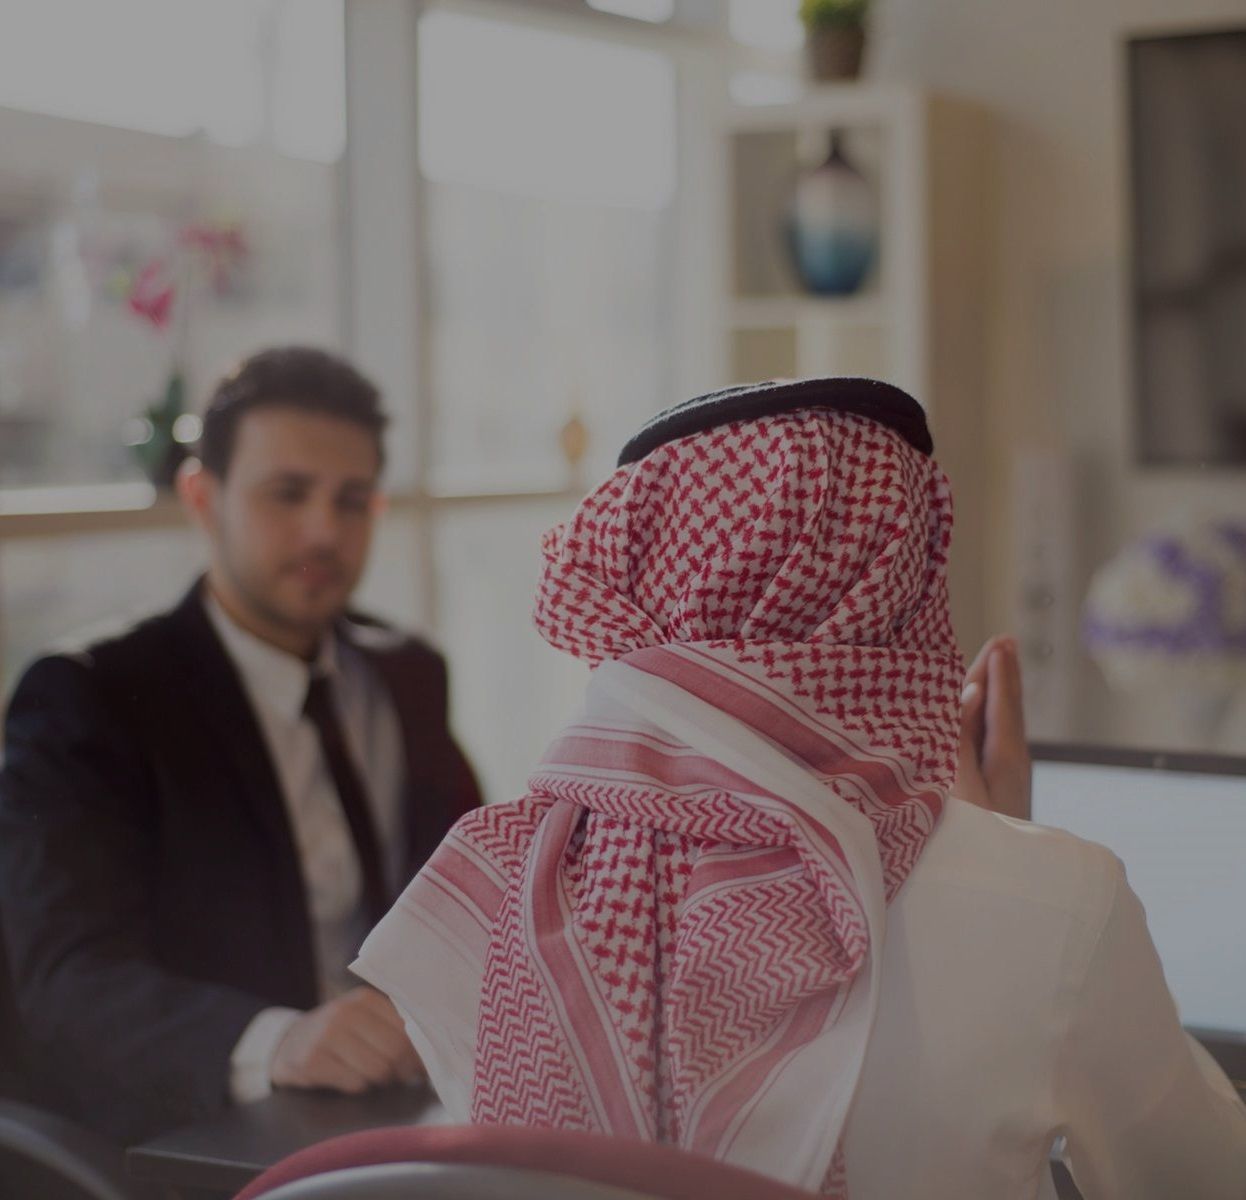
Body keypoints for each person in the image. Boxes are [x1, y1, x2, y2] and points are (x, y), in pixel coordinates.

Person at [352, 379, 1246, 1200]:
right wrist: (993, 837)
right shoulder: (1059, 901)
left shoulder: (490, 886)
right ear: (903, 575)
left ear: (633, 578)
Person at [0, 346, 481, 1143]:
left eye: (352, 500)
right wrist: (278, 1042)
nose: (324, 531)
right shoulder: (91, 695)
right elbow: (65, 979)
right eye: (287, 493)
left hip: (407, 1101)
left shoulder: (408, 673)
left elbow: (468, 892)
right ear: (202, 496)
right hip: (207, 1131)